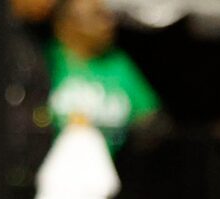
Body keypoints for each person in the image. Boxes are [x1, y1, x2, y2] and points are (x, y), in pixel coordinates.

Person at [46, 0, 159, 152]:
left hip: (108, 171)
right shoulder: (46, 61)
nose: (109, 23)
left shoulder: (118, 64)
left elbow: (149, 118)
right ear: (66, 24)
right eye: (97, 16)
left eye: (108, 15)